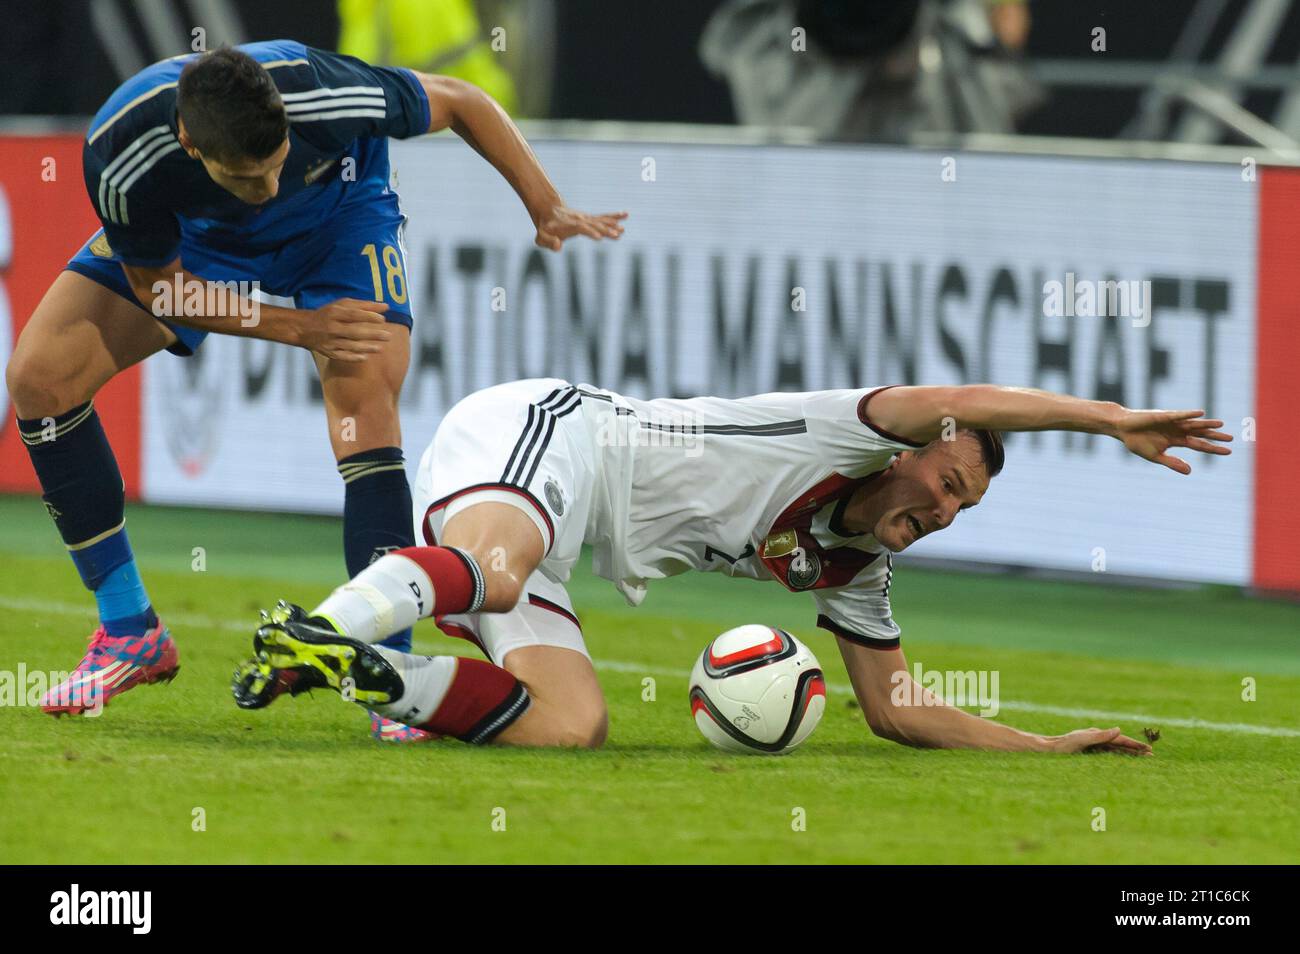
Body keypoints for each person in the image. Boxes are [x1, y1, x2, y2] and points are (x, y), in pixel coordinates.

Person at [5, 40, 626, 737]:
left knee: (363, 408)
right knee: (39, 380)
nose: (267, 188)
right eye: (247, 177)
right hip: (200, 241)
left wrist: (546, 206)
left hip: (339, 218)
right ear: (188, 141)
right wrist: (299, 325)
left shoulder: (326, 93)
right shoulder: (123, 154)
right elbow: (165, 291)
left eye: (274, 167)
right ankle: (129, 632)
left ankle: (391, 679)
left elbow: (461, 101)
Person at [232, 379, 1230, 753]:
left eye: (966, 503)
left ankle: (366, 674)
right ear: (918, 443)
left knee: (571, 725)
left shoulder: (853, 571)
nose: (946, 505)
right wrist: (1106, 420)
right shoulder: (846, 431)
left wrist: (1046, 749)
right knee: (495, 567)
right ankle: (326, 624)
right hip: (551, 436)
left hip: (563, 541)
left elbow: (896, 710)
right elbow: (965, 396)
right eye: (950, 475)